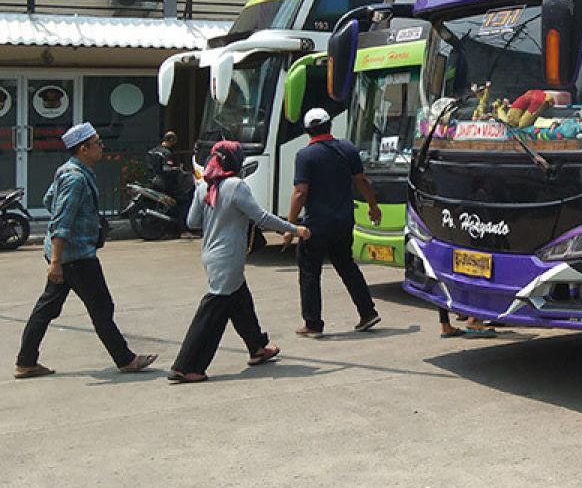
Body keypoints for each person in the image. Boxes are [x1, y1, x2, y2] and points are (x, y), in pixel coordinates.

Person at [14, 122, 157, 379]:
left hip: (68, 254)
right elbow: (61, 222)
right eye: (98, 143)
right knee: (101, 306)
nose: (102, 147)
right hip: (75, 256)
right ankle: (125, 359)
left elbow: (49, 200)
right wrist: (56, 262)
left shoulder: (69, 171)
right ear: (83, 148)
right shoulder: (76, 179)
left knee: (47, 308)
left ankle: (26, 362)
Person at [169, 141, 310, 383]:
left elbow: (192, 221)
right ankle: (186, 365)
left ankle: (257, 347)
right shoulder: (236, 186)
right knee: (213, 310)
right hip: (228, 257)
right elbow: (262, 217)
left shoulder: (205, 186)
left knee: (240, 300)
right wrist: (294, 229)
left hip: (211, 254)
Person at [284, 107, 382, 338]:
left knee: (309, 273)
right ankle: (368, 312)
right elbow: (362, 180)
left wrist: (289, 227)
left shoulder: (305, 155)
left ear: (307, 131)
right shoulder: (347, 148)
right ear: (329, 125)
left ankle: (313, 324)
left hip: (315, 226)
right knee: (347, 266)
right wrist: (373, 206)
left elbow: (300, 192)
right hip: (343, 222)